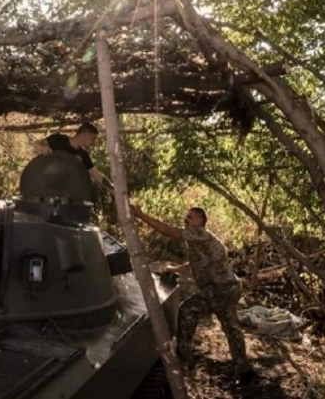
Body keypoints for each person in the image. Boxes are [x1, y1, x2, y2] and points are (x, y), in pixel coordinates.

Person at [129, 204, 259, 387]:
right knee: (231, 328)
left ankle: (183, 361)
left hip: (220, 289)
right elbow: (198, 261)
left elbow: (170, 231)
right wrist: (177, 269)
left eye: (190, 217)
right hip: (229, 288)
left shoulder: (199, 233)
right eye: (186, 216)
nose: (186, 219)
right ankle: (245, 371)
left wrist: (140, 215)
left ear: (201, 221)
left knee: (187, 310)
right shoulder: (201, 239)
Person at [32, 122, 107, 185]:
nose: (93, 142)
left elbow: (97, 176)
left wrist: (112, 187)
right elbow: (37, 144)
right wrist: (40, 147)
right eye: (93, 138)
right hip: (45, 186)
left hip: (66, 192)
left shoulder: (83, 155)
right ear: (85, 134)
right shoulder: (58, 139)